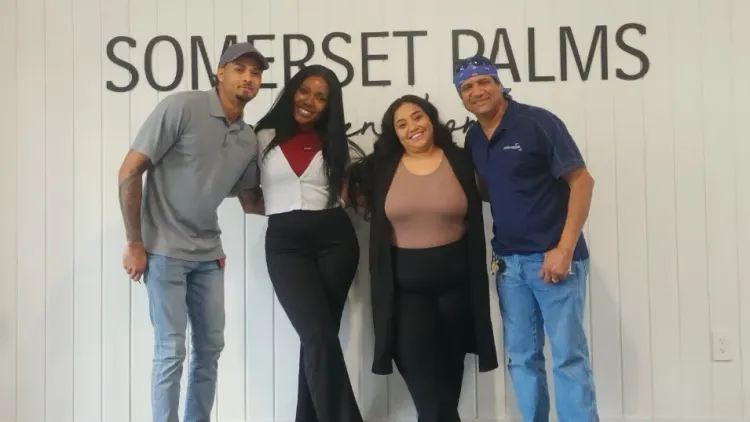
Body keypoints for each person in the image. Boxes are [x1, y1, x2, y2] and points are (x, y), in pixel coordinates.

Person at [117, 42, 269, 422]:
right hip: (163, 250)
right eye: (239, 69)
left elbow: (252, 201)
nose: (248, 77)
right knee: (170, 350)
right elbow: (129, 171)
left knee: (210, 348)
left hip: (208, 254)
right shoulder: (183, 107)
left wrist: (321, 200)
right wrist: (135, 243)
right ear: (220, 72)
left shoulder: (248, 138)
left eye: (255, 72)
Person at [453, 55, 599, 422]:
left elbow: (582, 182)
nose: (477, 91)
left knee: (568, 358)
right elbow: (492, 192)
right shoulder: (473, 137)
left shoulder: (536, 122)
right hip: (509, 265)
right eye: (467, 86)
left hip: (554, 260)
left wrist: (564, 249)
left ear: (499, 83)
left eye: (484, 81)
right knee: (521, 358)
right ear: (461, 96)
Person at [346, 94, 499, 421]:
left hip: (457, 292)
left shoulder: (460, 160)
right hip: (405, 296)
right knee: (430, 395)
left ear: (431, 119)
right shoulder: (381, 167)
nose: (412, 127)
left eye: (417, 117)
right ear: (394, 133)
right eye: (402, 124)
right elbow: (342, 184)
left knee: (446, 390)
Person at [235, 64, 365, 422]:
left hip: (335, 242)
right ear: (292, 90)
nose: (310, 101)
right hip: (286, 245)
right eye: (305, 91)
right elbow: (250, 201)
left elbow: (345, 195)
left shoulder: (336, 142)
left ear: (329, 106)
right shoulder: (260, 137)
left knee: (318, 339)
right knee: (318, 336)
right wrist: (286, 210)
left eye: (321, 97)